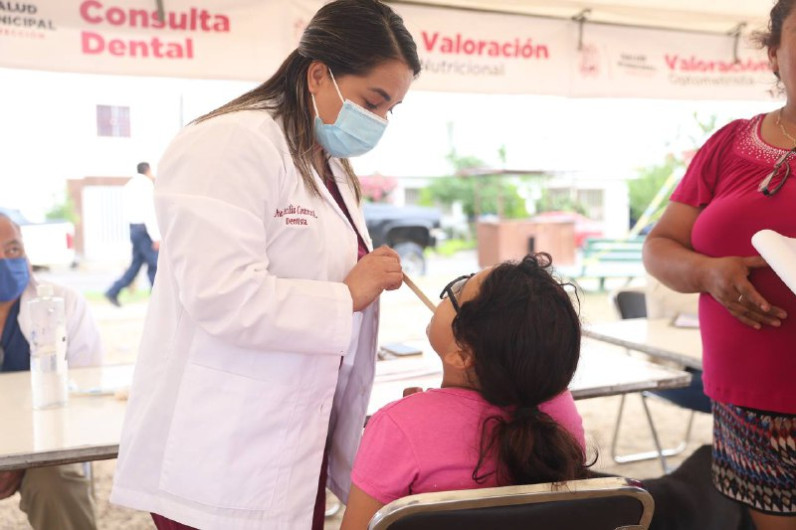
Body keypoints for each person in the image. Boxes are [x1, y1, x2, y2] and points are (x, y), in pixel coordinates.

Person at [109, 1, 420, 528]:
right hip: (222, 449)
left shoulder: (333, 166)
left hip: (299, 440)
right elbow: (222, 295)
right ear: (319, 73)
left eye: (391, 109)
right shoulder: (228, 143)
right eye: (375, 101)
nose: (380, 121)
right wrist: (348, 294)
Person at [643, 2, 796, 528]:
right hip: (745, 406)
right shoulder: (728, 143)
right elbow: (661, 245)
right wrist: (708, 272)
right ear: (774, 54)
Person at [340, 253, 590, 529]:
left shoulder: (397, 426)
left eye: (457, 290)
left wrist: (413, 425)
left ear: (461, 354)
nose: (445, 298)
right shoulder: (559, 409)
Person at [0, 213, 104, 530]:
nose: (6, 261)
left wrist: (21, 457)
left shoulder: (64, 302)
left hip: (49, 443)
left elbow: (87, 390)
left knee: (56, 481)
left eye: (13, 249)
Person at [104, 161, 160, 307]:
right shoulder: (147, 185)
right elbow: (149, 212)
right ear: (148, 170)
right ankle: (158, 300)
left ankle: (113, 291)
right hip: (145, 230)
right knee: (155, 265)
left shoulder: (129, 185)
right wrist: (156, 236)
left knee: (136, 265)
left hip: (134, 229)